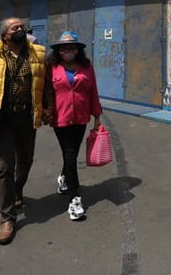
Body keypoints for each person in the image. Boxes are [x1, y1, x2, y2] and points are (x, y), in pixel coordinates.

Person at [0, 17, 50, 246]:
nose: (21, 30)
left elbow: (45, 85)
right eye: (16, 28)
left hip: (27, 118)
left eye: (22, 27)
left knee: (26, 161)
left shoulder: (37, 54)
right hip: (2, 119)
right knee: (5, 167)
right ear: (5, 35)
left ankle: (17, 190)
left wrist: (47, 109)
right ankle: (7, 218)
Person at [46, 31, 103, 221]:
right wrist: (44, 111)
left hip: (80, 118)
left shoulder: (86, 67)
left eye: (71, 48)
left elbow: (93, 91)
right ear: (58, 51)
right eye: (63, 49)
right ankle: (74, 199)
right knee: (70, 155)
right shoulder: (51, 68)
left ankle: (64, 178)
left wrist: (97, 116)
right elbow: (45, 92)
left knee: (71, 155)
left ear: (78, 50)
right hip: (60, 118)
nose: (67, 51)